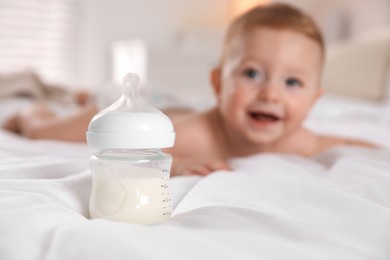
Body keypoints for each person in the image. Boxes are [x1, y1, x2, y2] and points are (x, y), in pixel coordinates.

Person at [2, 3, 374, 176]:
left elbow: (352, 144)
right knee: (41, 130)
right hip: (143, 111)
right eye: (252, 74)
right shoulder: (193, 136)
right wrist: (174, 165)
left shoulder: (300, 140)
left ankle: (84, 94)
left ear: (314, 100)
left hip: (169, 102)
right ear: (217, 83)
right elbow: (120, 148)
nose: (271, 95)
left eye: (292, 82)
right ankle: (33, 107)